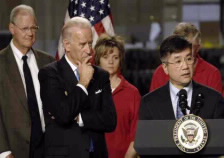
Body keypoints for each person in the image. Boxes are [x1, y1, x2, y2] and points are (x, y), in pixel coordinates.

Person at [38, 17, 117, 158]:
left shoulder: (101, 75)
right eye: (82, 44)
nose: (89, 50)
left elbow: (110, 120)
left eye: (90, 43)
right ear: (67, 45)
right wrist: (83, 83)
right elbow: (63, 115)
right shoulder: (49, 74)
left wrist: (79, 118)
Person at [140, 36, 224, 157]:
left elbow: (220, 145)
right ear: (165, 67)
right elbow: (147, 148)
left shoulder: (214, 99)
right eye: (178, 61)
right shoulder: (149, 103)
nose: (185, 66)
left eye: (189, 59)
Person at [0, 4, 55, 158]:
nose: (30, 33)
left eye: (34, 28)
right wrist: (4, 151)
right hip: (15, 149)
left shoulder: (48, 61)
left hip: (49, 146)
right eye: (25, 28)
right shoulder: (1, 63)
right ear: (12, 28)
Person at [94, 34, 141, 158]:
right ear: (98, 60)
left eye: (115, 57)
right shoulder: (89, 90)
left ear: (121, 60)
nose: (110, 61)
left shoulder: (132, 93)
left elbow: (137, 136)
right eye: (105, 57)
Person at [149, 22, 223, 94]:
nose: (184, 51)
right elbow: (153, 103)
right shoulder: (160, 72)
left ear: (198, 47)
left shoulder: (212, 74)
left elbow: (217, 105)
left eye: (190, 47)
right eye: (179, 46)